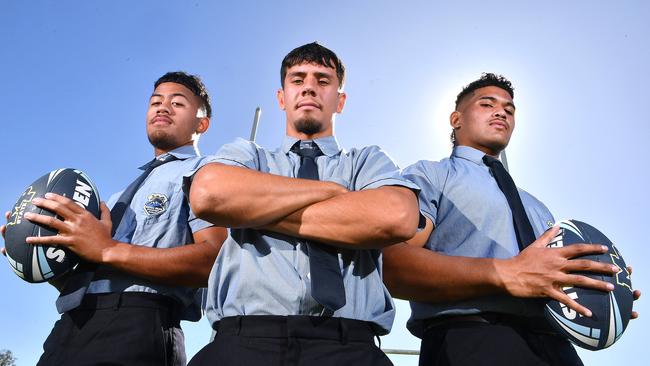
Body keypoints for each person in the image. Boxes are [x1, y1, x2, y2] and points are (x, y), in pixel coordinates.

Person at [185, 42, 420, 366]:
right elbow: (209, 194)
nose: (309, 87)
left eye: (323, 80)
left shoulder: (366, 161)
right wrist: (333, 192)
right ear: (281, 97)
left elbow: (396, 217)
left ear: (340, 100)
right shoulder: (250, 156)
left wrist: (251, 210)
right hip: (244, 343)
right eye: (298, 79)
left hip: (350, 346)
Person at [382, 73, 641, 366]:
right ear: (456, 119)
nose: (501, 111)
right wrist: (504, 272)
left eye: (509, 109)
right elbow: (392, 264)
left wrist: (599, 290)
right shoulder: (429, 175)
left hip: (556, 346)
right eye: (486, 104)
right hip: (472, 338)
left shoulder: (537, 207)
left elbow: (551, 278)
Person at [1, 71, 227, 366]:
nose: (162, 107)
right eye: (155, 101)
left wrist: (107, 249)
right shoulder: (117, 196)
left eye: (177, 103)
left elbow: (214, 261)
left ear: (202, 123)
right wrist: (47, 259)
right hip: (72, 326)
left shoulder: (208, 172)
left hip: (139, 326)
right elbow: (96, 266)